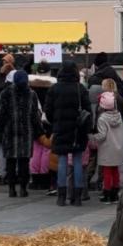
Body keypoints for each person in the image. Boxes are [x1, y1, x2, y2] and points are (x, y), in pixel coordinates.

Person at [46, 61, 91, 206]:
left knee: (62, 160)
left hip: (60, 128)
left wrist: (55, 122)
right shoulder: (81, 89)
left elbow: (48, 111)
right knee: (77, 160)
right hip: (78, 130)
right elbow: (88, 111)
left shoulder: (54, 89)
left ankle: (61, 196)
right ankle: (77, 197)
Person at [0, 69, 42, 198]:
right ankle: (23, 188)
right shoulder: (32, 94)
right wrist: (39, 129)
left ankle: (11, 188)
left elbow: (0, 114)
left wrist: (1, 126)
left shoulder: (5, 93)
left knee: (10, 161)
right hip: (26, 133)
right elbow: (35, 115)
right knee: (24, 162)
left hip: (9, 132)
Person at [91, 91, 123, 204]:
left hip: (106, 148)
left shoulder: (102, 119)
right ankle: (115, 194)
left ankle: (107, 193)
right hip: (118, 147)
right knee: (115, 170)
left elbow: (102, 135)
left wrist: (93, 137)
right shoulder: (119, 115)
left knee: (107, 172)